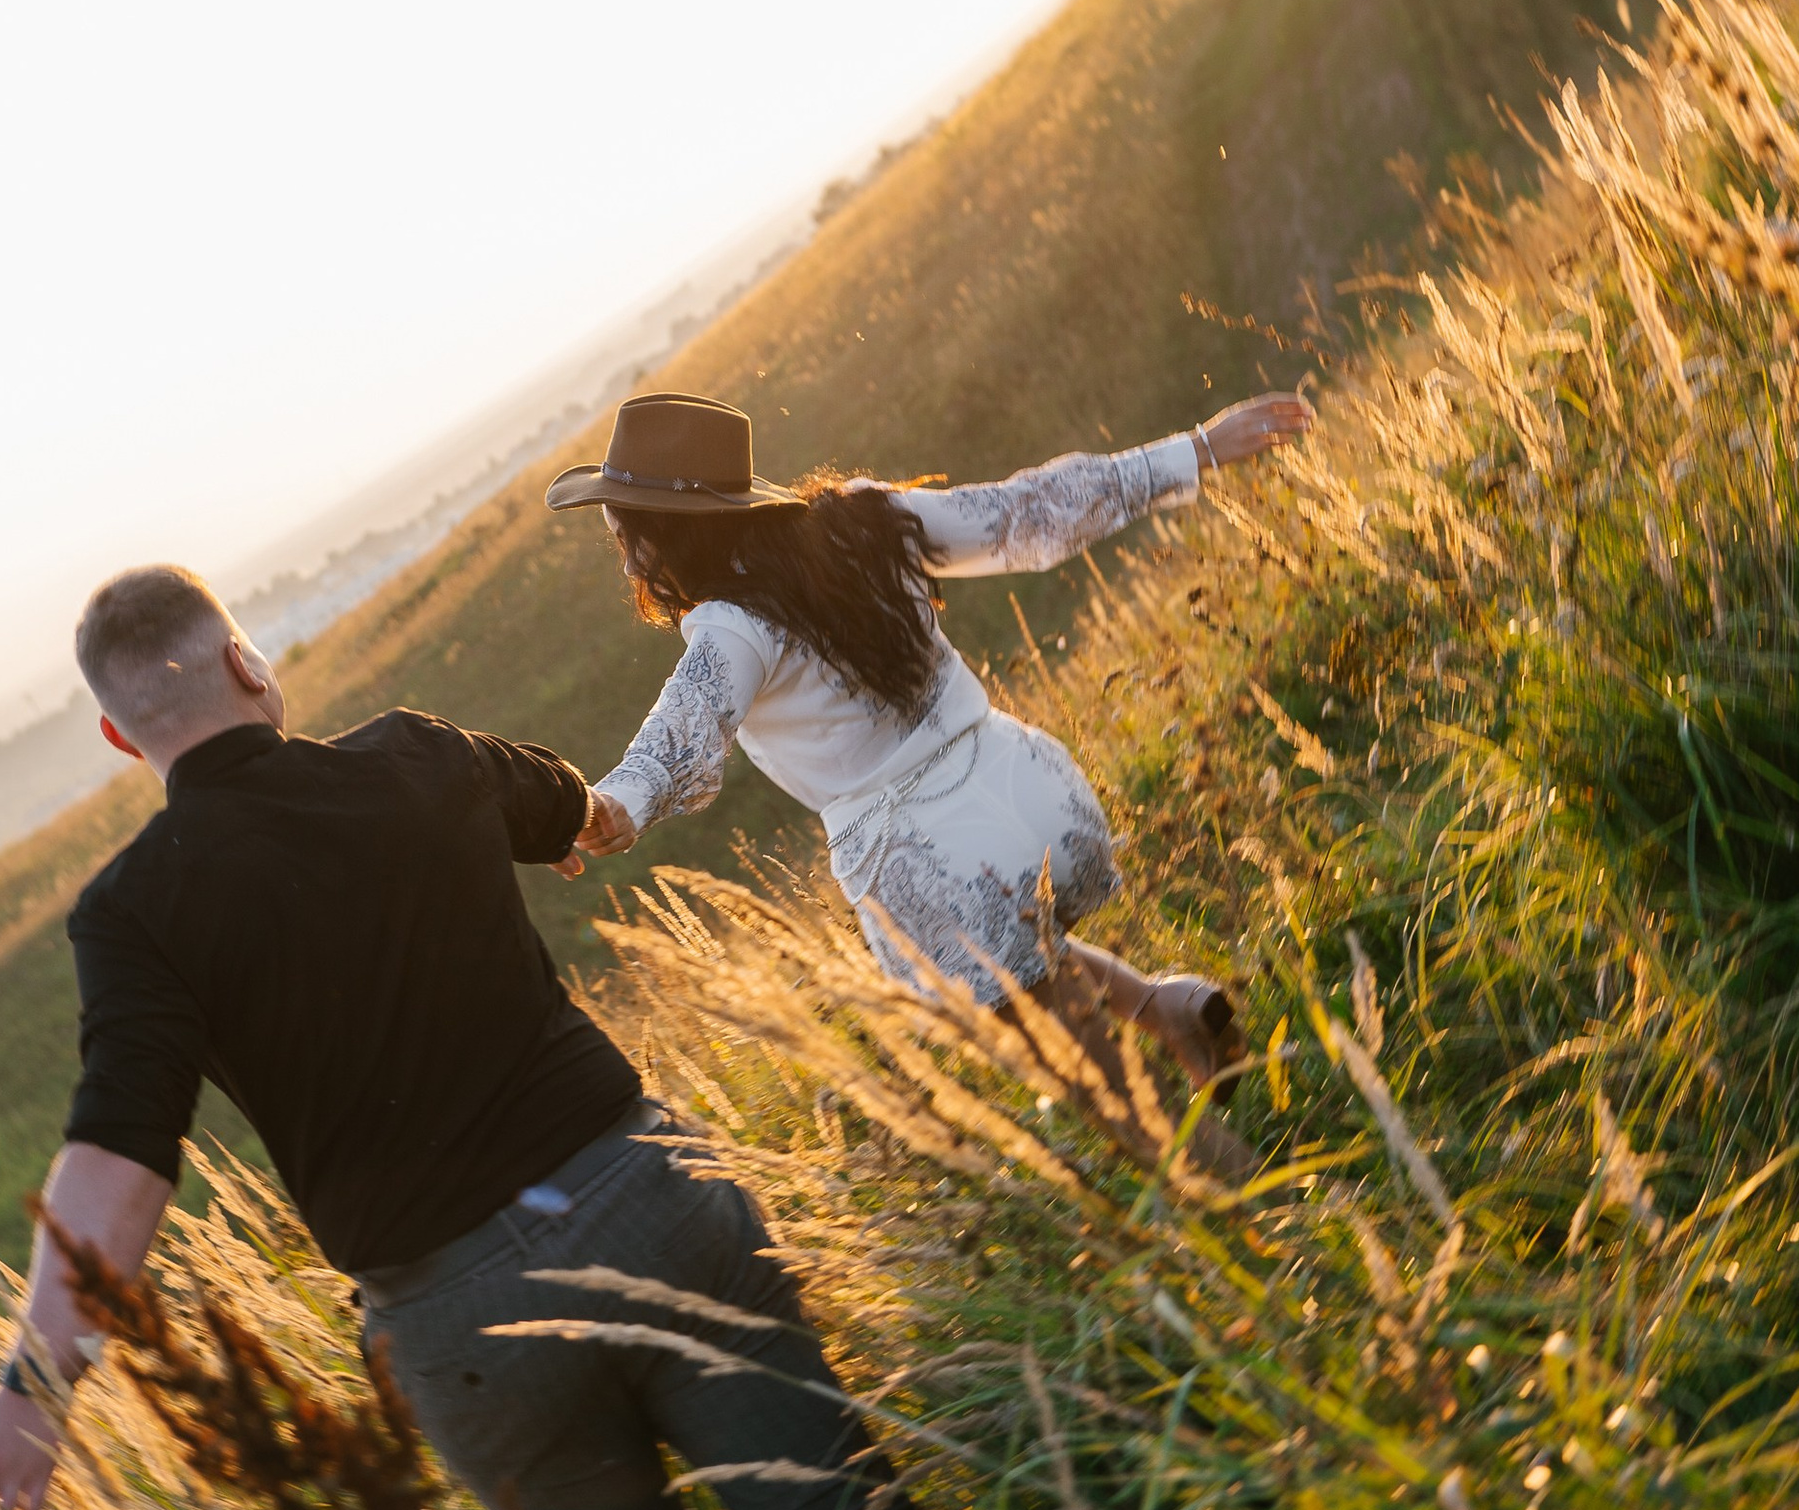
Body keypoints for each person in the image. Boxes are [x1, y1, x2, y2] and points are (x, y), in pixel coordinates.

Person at [0, 563, 1098, 1510]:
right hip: (649, 1202)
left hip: (467, 1335)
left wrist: (34, 1387)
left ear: (119, 736)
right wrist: (581, 820)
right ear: (250, 665)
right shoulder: (417, 759)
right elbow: (581, 816)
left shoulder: (133, 914)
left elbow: (120, 1157)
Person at [547, 386, 1310, 1067]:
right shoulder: (864, 521)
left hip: (927, 863)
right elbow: (1025, 509)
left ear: (667, 532)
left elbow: (686, 721)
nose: (626, 565)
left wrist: (618, 802)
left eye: (624, 539)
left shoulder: (730, 626)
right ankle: (1168, 1008)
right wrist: (1197, 449)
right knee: (1034, 961)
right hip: (1039, 796)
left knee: (1097, 1091)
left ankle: (1233, 1200)